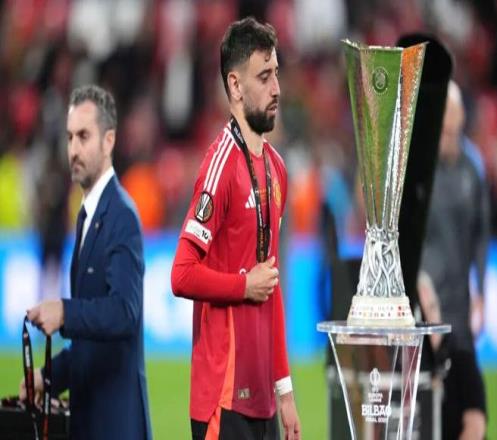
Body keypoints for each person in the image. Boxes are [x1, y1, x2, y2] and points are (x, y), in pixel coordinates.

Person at [171, 17, 301, 440]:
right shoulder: (219, 166)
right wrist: (244, 285)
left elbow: (271, 286)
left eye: (276, 73)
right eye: (264, 76)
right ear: (236, 85)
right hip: (222, 399)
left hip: (264, 399)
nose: (277, 88)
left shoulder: (277, 170)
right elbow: (181, 274)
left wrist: (285, 390)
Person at [20, 85, 152, 440]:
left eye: (83, 136)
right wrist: (47, 376)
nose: (73, 149)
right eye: (69, 137)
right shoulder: (87, 217)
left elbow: (124, 312)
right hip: (93, 421)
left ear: (109, 141)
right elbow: (92, 342)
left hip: (116, 425)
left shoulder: (121, 215)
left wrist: (65, 312)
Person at [420, 80, 489, 439]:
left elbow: (481, 234)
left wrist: (480, 290)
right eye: (443, 114)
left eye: (453, 113)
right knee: (432, 413)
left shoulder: (471, 169)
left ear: (461, 117)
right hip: (427, 315)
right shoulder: (420, 170)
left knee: (474, 414)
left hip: (460, 314)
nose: (449, 123)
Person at [418, 271, 487, 440]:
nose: (429, 320)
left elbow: (475, 427)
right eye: (423, 313)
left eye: (432, 308)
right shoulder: (408, 366)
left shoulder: (462, 359)